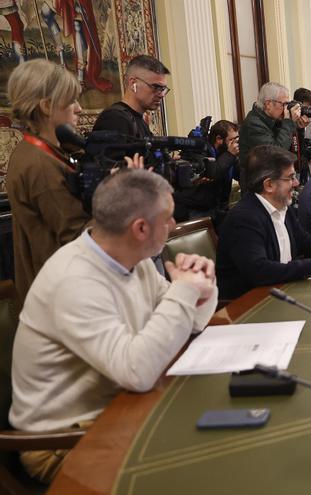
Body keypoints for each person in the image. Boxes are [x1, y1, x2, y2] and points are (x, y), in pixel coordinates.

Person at [9, 169, 217, 483]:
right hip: (64, 441)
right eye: (169, 218)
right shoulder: (75, 280)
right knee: (199, 472)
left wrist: (199, 288)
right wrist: (184, 291)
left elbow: (184, 324)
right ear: (141, 228)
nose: (174, 226)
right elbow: (136, 372)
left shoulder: (135, 258)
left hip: (121, 411)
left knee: (217, 435)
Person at [216, 145, 311, 299]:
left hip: (284, 290)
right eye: (290, 177)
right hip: (250, 305)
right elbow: (259, 270)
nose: (296, 183)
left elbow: (305, 241)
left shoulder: (282, 206)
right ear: (269, 184)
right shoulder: (244, 218)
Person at [5, 59, 90, 301]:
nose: (79, 108)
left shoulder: (45, 152)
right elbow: (78, 238)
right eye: (71, 100)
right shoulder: (40, 163)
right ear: (46, 106)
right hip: (60, 297)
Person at [172, 120, 239, 225]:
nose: (235, 143)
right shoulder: (198, 150)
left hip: (218, 208)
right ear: (219, 139)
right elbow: (213, 173)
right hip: (195, 208)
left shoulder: (227, 153)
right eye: (232, 140)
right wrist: (230, 155)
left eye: (237, 139)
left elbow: (240, 173)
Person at [238, 82, 301, 189]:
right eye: (283, 104)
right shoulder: (253, 124)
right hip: (258, 186)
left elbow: (292, 148)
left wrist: (298, 126)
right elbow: (277, 152)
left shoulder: (272, 120)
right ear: (268, 104)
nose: (286, 109)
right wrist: (288, 122)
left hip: (272, 181)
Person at [92, 55, 170, 139]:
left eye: (163, 89)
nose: (161, 94)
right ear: (133, 83)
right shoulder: (115, 119)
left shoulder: (140, 121)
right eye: (155, 87)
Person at [290, 87, 311, 185]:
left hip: (308, 163)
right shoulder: (289, 120)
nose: (309, 109)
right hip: (294, 164)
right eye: (307, 106)